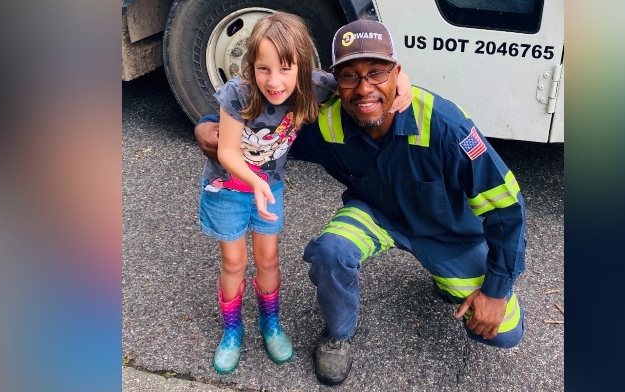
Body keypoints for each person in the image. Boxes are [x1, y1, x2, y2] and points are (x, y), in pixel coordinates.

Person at [195, 19, 527, 385]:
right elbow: (259, 113)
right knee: (331, 251)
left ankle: (446, 278)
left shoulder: (444, 125)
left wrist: (495, 291)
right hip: (376, 214)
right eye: (350, 76)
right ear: (335, 82)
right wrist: (206, 124)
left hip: (448, 235)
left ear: (397, 73)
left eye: (378, 73)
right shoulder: (326, 117)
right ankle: (338, 335)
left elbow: (506, 208)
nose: (364, 88)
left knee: (504, 331)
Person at [198, 13, 413, 374]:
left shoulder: (314, 86)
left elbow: (364, 76)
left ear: (302, 65)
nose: (274, 81)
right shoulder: (238, 93)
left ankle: (271, 324)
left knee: (268, 261)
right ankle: (232, 331)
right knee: (234, 263)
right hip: (228, 190)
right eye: (263, 69)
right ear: (251, 66)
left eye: (285, 68)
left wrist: (402, 77)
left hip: (269, 189)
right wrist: (255, 182)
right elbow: (227, 151)